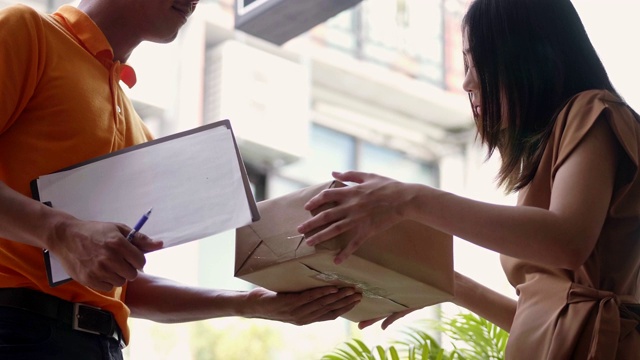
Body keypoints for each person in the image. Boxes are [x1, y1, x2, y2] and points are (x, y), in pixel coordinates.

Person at [0, 1, 362, 359]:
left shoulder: (138, 130)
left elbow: (125, 287)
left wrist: (250, 304)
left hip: (100, 346)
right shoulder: (28, 31)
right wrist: (61, 232)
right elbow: (70, 243)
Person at [298, 0, 640, 358]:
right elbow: (541, 319)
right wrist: (444, 284)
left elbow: (567, 241)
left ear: (527, 56)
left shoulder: (592, 110)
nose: (467, 81)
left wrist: (408, 200)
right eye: (466, 62)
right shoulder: (552, 148)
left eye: (479, 61)